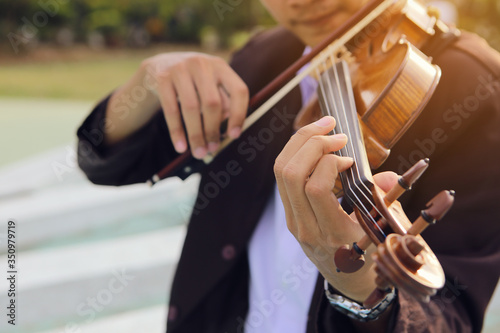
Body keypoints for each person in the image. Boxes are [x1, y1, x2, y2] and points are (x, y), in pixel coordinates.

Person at [77, 0, 500, 332]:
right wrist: (148, 82)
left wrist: (361, 290)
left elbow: (450, 317)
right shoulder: (266, 58)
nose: (300, 2)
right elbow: (107, 165)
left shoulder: (479, 91)